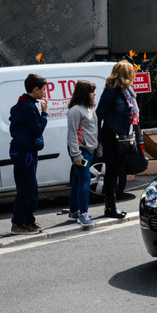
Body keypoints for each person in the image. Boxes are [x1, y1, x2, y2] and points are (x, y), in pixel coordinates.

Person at [96, 60, 139, 219]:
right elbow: (98, 115)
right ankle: (110, 207)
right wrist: (99, 140)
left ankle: (112, 206)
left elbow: (132, 117)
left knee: (118, 172)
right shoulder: (111, 92)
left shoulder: (128, 92)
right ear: (126, 74)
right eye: (132, 72)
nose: (134, 75)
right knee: (112, 173)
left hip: (124, 137)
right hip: (112, 137)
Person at [9, 74, 48, 235]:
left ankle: (28, 220)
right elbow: (37, 129)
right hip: (25, 152)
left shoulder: (27, 104)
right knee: (26, 187)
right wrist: (44, 114)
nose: (45, 93)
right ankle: (19, 222)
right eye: (44, 89)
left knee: (32, 187)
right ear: (36, 89)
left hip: (28, 151)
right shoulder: (26, 107)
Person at [67, 80, 102, 228]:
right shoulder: (76, 110)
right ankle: (83, 213)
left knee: (78, 180)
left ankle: (74, 211)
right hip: (81, 151)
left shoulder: (89, 109)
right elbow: (72, 134)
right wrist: (76, 155)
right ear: (84, 93)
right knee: (84, 181)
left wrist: (98, 147)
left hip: (89, 150)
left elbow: (94, 130)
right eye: (92, 91)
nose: (94, 94)